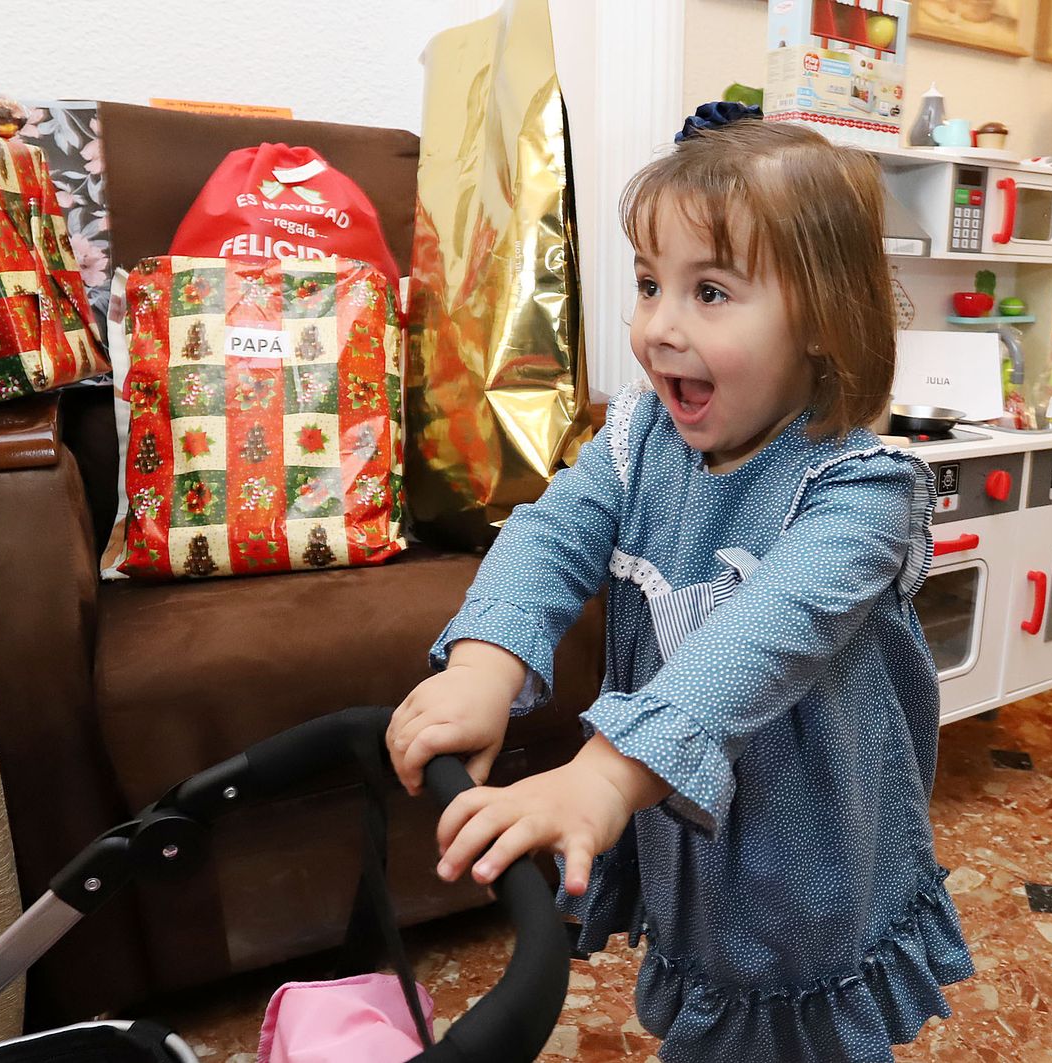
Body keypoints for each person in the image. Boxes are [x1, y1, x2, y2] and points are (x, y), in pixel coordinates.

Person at [386, 115, 973, 1063]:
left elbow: (763, 636)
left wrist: (606, 775)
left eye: (710, 292)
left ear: (824, 320)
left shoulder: (862, 493)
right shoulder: (641, 441)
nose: (660, 326)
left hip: (804, 861)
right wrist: (485, 665)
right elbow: (552, 531)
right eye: (651, 284)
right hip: (692, 836)